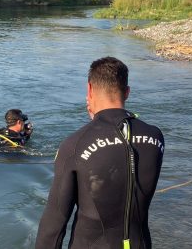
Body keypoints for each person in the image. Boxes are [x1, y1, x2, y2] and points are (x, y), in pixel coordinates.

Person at [36, 57, 165, 249]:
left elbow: (54, 222)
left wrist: (95, 124)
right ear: (127, 92)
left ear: (89, 89)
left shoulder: (74, 145)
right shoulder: (155, 137)